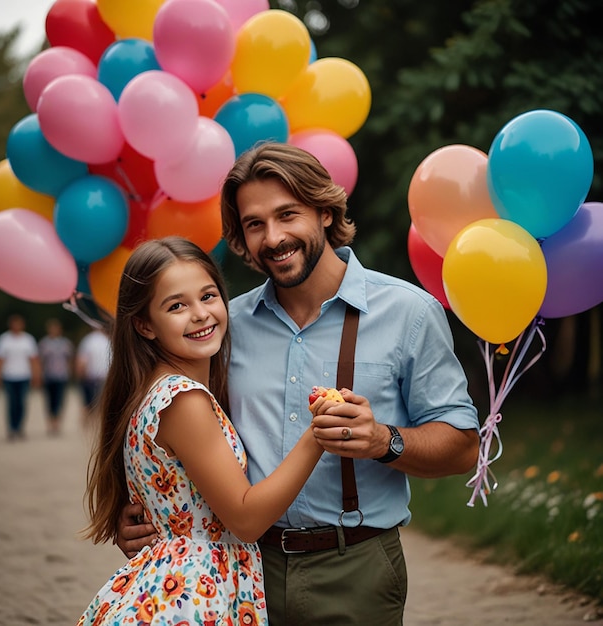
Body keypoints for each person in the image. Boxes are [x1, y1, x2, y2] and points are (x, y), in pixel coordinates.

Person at [117, 143, 480, 625]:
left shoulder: (409, 314)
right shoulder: (226, 325)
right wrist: (150, 515)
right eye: (254, 224)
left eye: (288, 214)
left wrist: (381, 440)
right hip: (239, 574)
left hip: (353, 568)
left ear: (325, 211)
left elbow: (463, 448)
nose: (273, 237)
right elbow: (182, 435)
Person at [77, 237, 325, 625]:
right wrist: (317, 435)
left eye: (208, 296)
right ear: (144, 325)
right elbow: (244, 520)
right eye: (176, 305)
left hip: (176, 582)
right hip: (191, 595)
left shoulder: (159, 389)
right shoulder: (183, 400)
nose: (199, 314)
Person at [0, 314, 41, 440]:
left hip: (24, 376)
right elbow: (0, 360)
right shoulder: (4, 339)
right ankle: (12, 427)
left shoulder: (28, 340)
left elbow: (33, 360)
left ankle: (19, 427)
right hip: (9, 376)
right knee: (11, 402)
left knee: (21, 403)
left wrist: (36, 375)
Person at [38, 318, 74, 435]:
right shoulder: (44, 343)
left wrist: (70, 372)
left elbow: (70, 359)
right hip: (48, 375)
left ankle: (57, 423)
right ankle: (50, 422)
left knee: (60, 400)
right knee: (49, 400)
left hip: (61, 376)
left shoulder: (65, 343)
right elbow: (40, 360)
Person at [75, 327, 110, 423]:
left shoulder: (87, 340)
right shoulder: (107, 340)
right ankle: (98, 423)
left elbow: (82, 360)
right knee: (102, 403)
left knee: (88, 402)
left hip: (90, 377)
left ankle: (86, 423)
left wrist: (80, 375)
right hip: (105, 376)